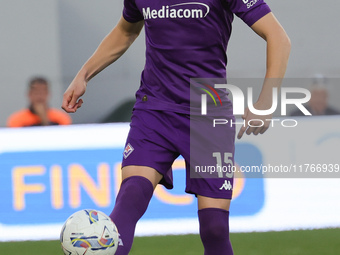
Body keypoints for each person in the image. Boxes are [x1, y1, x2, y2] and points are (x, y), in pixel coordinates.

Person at [62, 0, 290, 254]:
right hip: (155, 110)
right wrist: (83, 74)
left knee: (215, 228)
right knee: (131, 195)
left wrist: (266, 100)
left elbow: (278, 37)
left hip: (209, 116)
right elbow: (126, 30)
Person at [7, 76, 72, 127]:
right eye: (36, 92)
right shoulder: (17, 119)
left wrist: (45, 120)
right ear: (29, 94)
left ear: (48, 94)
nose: (40, 96)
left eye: (43, 92)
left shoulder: (60, 117)